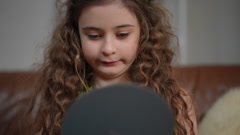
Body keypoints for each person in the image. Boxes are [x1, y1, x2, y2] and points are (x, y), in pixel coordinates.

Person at [16, 0, 198, 135]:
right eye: (94, 36)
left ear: (144, 34)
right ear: (76, 36)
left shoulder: (176, 101)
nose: (108, 49)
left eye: (123, 34)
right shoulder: (60, 98)